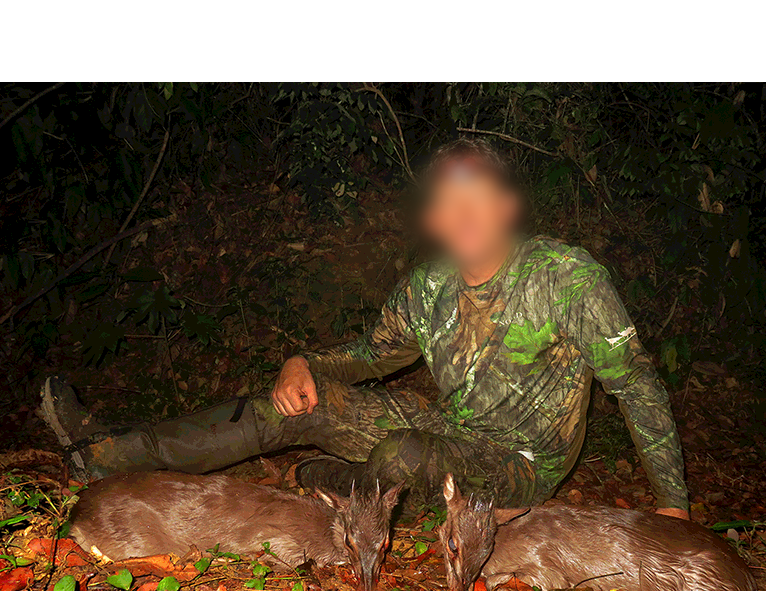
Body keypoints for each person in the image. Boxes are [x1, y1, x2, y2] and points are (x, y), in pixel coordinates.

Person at [40, 138, 689, 518]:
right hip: (450, 432)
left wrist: (674, 509)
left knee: (400, 456)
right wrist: (307, 364)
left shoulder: (567, 278)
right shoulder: (430, 287)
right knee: (295, 404)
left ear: (504, 204)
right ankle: (104, 457)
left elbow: (638, 389)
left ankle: (333, 488)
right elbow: (368, 355)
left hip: (523, 467)